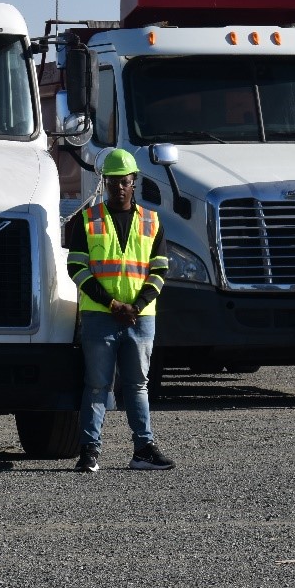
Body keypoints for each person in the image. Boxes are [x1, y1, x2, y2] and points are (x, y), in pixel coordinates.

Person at [65, 148, 174, 472]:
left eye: (124, 182)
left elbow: (160, 271)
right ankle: (89, 452)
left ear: (134, 182)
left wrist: (136, 306)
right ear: (105, 183)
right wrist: (113, 304)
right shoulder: (87, 220)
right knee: (97, 385)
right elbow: (77, 268)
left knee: (137, 385)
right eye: (112, 182)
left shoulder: (152, 222)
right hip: (102, 315)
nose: (119, 188)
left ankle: (143, 449)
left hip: (139, 317)